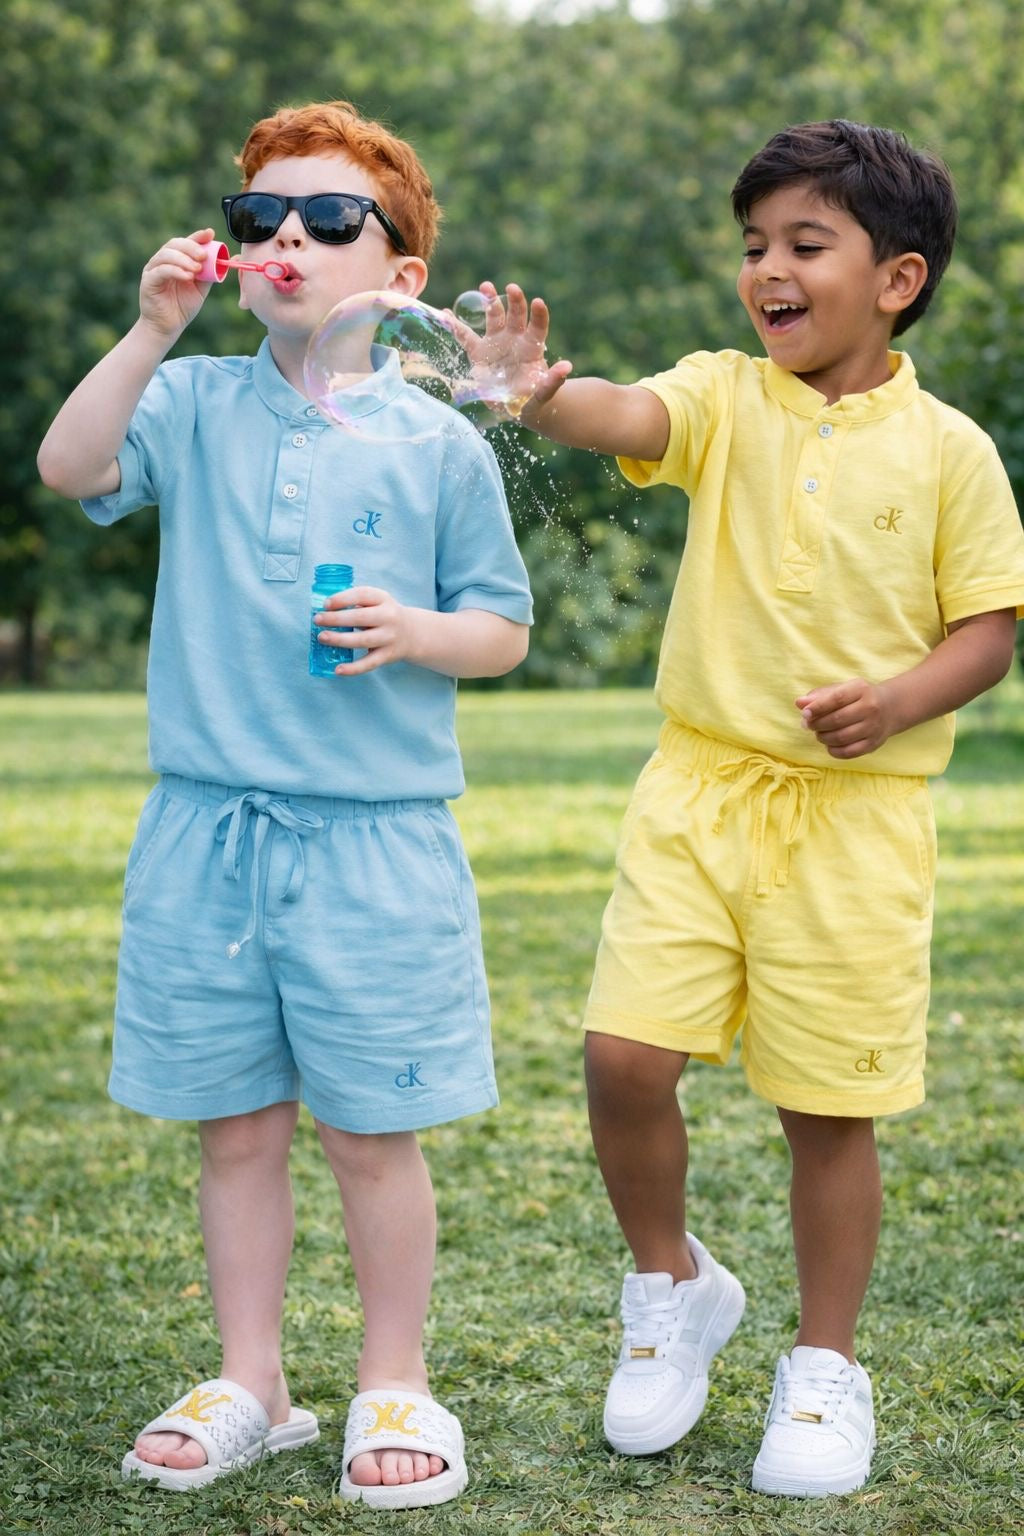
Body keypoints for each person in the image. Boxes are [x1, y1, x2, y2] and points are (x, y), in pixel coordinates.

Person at [476, 119, 1024, 1497]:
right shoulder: (724, 396)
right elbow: (627, 416)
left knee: (826, 1109)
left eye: (804, 245)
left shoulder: (952, 452)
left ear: (896, 280)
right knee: (621, 1056)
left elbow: (988, 631)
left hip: (855, 828)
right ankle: (671, 1285)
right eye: (754, 245)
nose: (767, 269)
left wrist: (896, 700)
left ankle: (825, 1366)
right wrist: (539, 394)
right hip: (698, 794)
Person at [37, 99, 533, 1510]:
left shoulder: (436, 443)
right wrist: (151, 331)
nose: (289, 239)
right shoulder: (191, 401)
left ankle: (396, 1378)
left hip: (376, 841)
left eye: (329, 219)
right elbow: (69, 469)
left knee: (371, 1132)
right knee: (238, 1128)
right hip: (206, 833)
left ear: (402, 276)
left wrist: (419, 631)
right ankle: (252, 1381)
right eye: (261, 217)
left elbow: (502, 629)